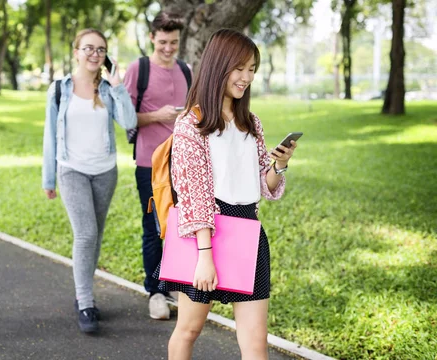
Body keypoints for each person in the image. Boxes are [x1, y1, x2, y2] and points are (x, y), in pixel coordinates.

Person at [156, 29, 298, 360]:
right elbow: (194, 195)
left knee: (255, 342)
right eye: (240, 68)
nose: (246, 77)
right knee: (188, 331)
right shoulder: (192, 123)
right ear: (220, 65)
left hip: (248, 232)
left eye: (252, 69)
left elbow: (266, 187)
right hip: (205, 235)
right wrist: (205, 256)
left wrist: (279, 166)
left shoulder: (252, 123)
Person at [42, 29, 137, 333]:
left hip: (105, 171)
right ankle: (85, 301)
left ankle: (84, 292)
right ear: (76, 52)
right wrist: (49, 178)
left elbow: (129, 123)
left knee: (95, 235)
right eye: (88, 49)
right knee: (85, 234)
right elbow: (49, 137)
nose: (94, 54)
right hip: (72, 169)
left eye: (100, 50)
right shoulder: (59, 89)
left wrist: (119, 86)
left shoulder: (109, 89)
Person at [123, 11, 191, 320]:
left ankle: (174, 283)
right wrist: (157, 116)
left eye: (173, 42)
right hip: (149, 164)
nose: (168, 48)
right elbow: (125, 117)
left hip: (183, 163)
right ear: (152, 37)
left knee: (182, 225)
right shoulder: (140, 69)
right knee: (154, 227)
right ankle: (155, 291)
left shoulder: (186, 70)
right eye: (163, 41)